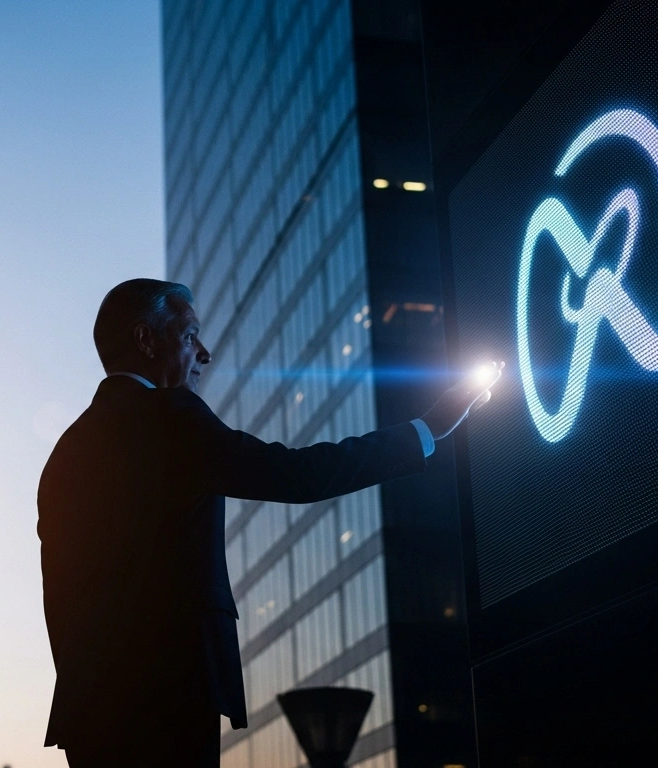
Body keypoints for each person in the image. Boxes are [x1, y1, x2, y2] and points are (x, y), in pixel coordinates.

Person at [37, 279, 501, 766]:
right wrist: (426, 430)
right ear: (146, 339)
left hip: (89, 709)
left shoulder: (64, 455)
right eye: (190, 335)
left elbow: (59, 598)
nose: (204, 353)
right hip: (167, 696)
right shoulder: (168, 417)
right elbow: (295, 475)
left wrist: (87, 690)